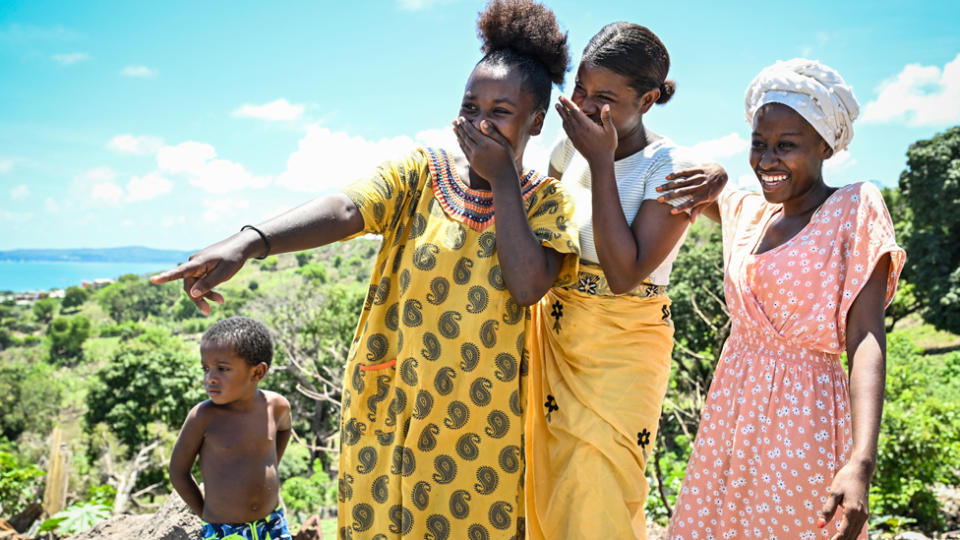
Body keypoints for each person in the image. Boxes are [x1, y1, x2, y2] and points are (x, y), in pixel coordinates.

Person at [153, 1, 579, 536]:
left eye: (500, 112)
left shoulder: (548, 202)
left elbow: (528, 285)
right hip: (388, 403)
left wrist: (502, 182)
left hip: (481, 425)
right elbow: (347, 209)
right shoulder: (421, 174)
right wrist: (251, 241)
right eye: (470, 107)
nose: (478, 123)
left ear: (536, 121)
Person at [666, 59, 905, 539]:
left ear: (824, 145)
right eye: (759, 144)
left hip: (804, 424)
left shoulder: (853, 210)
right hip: (731, 415)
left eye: (786, 145)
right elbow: (713, 191)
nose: (767, 160)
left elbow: (864, 340)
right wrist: (714, 172)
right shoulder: (751, 214)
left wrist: (861, 461)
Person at [523, 22, 728, 539]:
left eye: (606, 98)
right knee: (548, 485)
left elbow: (623, 271)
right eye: (581, 91)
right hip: (558, 339)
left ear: (649, 99)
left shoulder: (674, 169)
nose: (587, 108)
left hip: (623, 351)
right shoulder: (564, 154)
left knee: (601, 493)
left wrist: (602, 162)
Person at [169, 316, 293, 540]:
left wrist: (272, 462)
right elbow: (178, 472)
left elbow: (284, 429)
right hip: (224, 530)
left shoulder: (276, 406)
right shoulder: (202, 417)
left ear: (257, 373)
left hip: (272, 523)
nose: (210, 378)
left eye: (222, 369)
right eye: (206, 368)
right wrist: (206, 514)